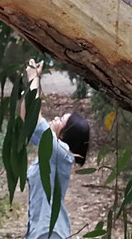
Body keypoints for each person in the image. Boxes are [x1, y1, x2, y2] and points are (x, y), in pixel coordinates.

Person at [22, 59, 90, 239]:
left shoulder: (60, 152)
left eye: (62, 120)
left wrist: (34, 79)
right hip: (40, 230)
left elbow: (34, 118)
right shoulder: (53, 150)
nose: (56, 118)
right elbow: (27, 120)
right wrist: (31, 83)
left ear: (66, 134)